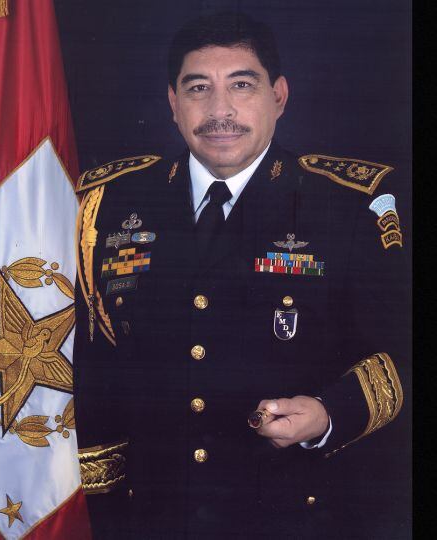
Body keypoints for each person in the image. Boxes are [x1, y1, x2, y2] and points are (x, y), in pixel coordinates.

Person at [72, 11, 410, 539]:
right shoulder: (110, 203)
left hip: (293, 516)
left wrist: (328, 414)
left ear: (279, 96)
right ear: (173, 104)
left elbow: (402, 352)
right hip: (153, 517)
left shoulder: (347, 207)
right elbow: (94, 368)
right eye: (198, 88)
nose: (219, 111)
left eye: (241, 85)